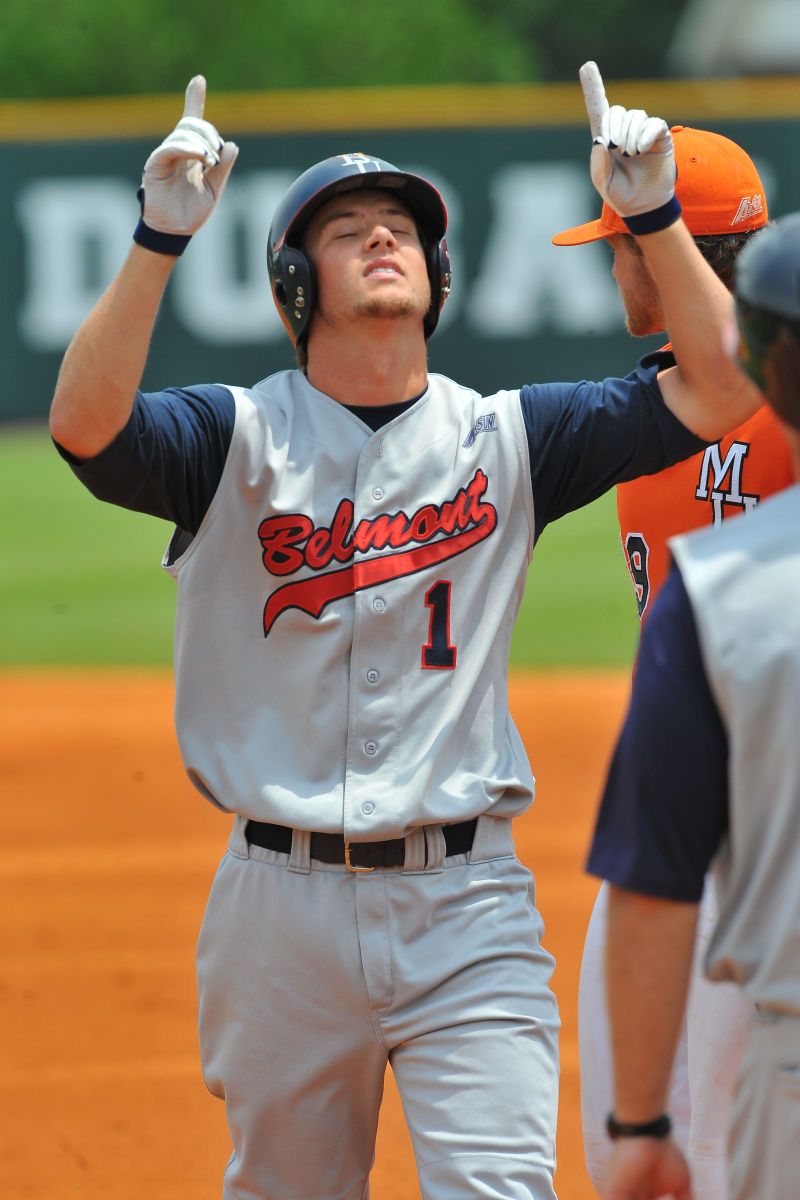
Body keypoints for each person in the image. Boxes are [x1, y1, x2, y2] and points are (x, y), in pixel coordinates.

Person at [49, 63, 760, 1200]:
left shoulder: (512, 436)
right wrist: (155, 244)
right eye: (346, 232)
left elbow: (730, 389)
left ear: (436, 277)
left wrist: (654, 219)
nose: (382, 242)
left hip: (466, 904)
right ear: (294, 283)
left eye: (401, 232)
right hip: (275, 913)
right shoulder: (233, 441)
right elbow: (85, 427)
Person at [552, 129, 795, 1197]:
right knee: (631, 1145)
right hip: (669, 823)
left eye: (620, 245)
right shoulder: (643, 411)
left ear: (665, 246)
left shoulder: (781, 401)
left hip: (769, 832)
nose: (611, 269)